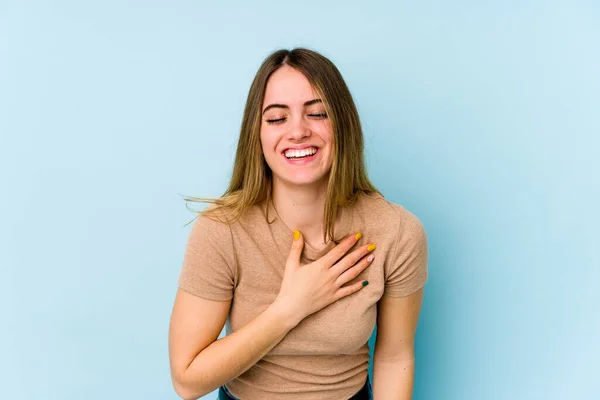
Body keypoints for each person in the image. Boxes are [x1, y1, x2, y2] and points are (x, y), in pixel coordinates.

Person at [168, 48, 428, 400]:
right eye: (277, 119)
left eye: (318, 113)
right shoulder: (221, 231)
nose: (298, 131)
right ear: (257, 136)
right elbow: (188, 381)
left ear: (343, 124)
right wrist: (291, 307)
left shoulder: (396, 231)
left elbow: (395, 355)